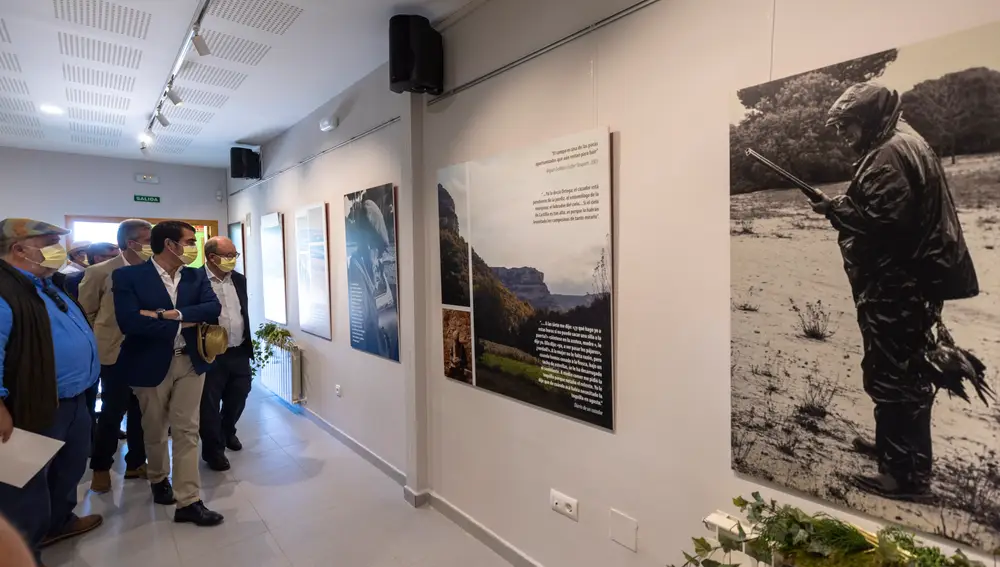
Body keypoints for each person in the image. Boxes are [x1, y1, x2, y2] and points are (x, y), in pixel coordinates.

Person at [811, 83, 978, 501]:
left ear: (866, 119)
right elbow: (887, 215)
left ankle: (903, 475)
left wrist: (835, 209)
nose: (843, 135)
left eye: (847, 126)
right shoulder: (905, 141)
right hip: (912, 282)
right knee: (902, 367)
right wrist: (843, 208)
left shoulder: (888, 154)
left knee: (895, 373)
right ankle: (895, 448)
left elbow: (886, 226)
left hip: (898, 285)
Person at [0, 218, 103, 563]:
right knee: (24, 487)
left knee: (69, 469)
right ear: (19, 249)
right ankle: (24, 553)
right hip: (31, 406)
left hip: (74, 400)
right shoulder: (4, 289)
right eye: (48, 243)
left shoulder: (47, 283)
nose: (57, 251)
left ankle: (58, 522)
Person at [112, 221, 224, 527]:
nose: (193, 248)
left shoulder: (194, 275)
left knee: (187, 429)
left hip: (191, 361)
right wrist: (182, 323)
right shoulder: (128, 276)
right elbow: (130, 322)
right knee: (155, 427)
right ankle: (159, 478)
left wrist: (168, 315)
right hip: (148, 362)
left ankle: (189, 500)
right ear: (169, 245)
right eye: (188, 242)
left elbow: (212, 308)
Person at [80, 221, 151, 494]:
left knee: (142, 411)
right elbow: (86, 312)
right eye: (148, 239)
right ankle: (101, 467)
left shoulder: (153, 271)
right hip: (115, 352)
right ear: (132, 243)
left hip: (147, 350)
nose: (152, 245)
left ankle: (136, 463)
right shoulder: (100, 272)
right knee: (112, 412)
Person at [199, 237, 252, 472]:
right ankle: (213, 451)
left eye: (235, 255)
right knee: (208, 405)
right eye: (229, 255)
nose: (233, 260)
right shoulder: (195, 280)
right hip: (210, 354)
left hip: (238, 350)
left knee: (239, 396)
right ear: (212, 257)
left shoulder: (239, 280)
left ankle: (228, 430)